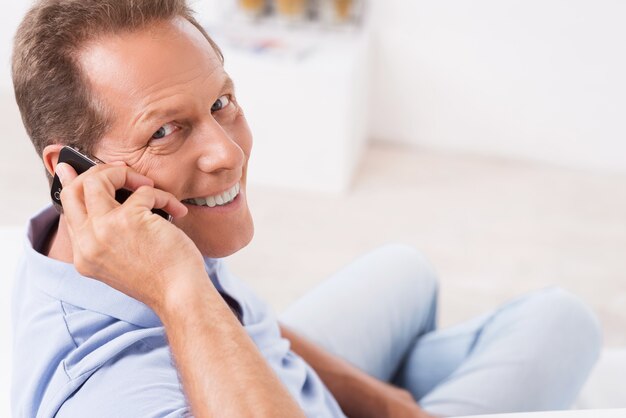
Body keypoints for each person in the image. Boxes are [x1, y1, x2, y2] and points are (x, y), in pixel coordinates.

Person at [10, 1, 602, 417]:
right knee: (561, 322)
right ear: (71, 168)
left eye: (220, 102)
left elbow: (244, 316)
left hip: (282, 379)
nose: (227, 152)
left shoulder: (141, 223)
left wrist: (389, 407)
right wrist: (179, 290)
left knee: (406, 270)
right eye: (166, 130)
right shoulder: (112, 394)